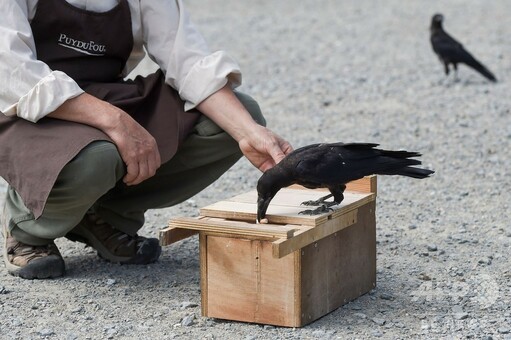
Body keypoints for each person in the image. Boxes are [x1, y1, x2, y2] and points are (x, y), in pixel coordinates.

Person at [0, 0, 293, 279]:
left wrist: (249, 132)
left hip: (105, 95)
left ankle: (103, 216)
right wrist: (115, 121)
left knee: (235, 121)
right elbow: (12, 72)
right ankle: (26, 225)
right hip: (24, 110)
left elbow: (188, 60)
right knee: (97, 158)